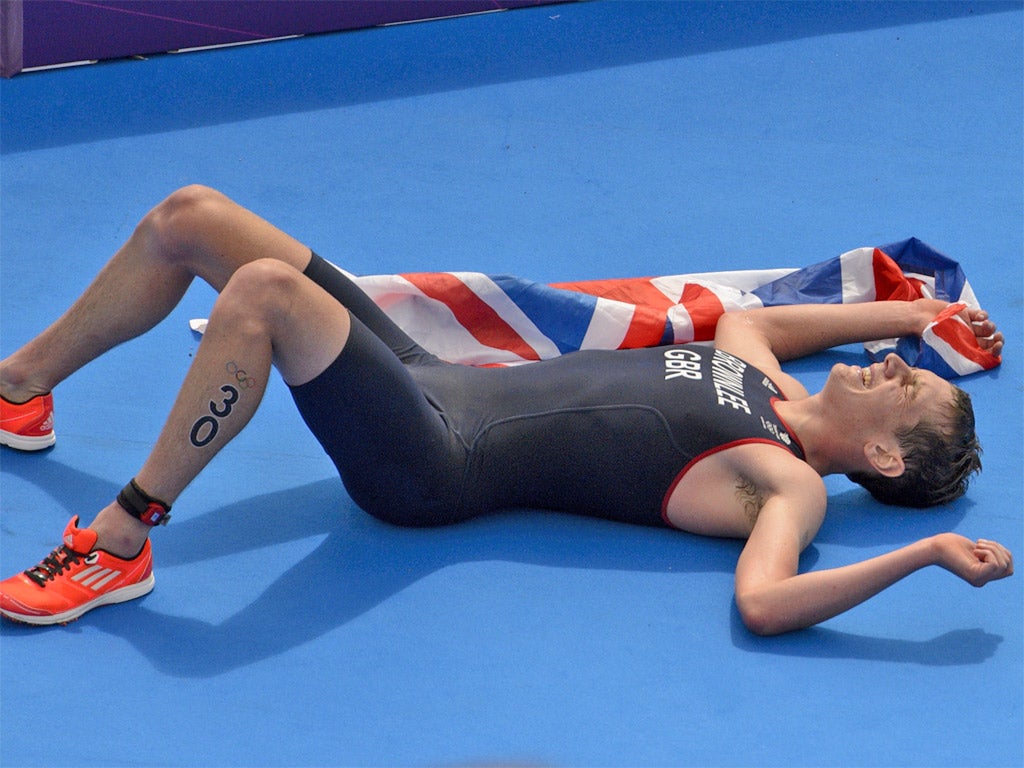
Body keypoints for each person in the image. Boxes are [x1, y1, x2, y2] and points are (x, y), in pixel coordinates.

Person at [0, 185, 1012, 634]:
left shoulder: (785, 485)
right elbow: (762, 321)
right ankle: (19, 389)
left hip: (433, 462)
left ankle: (122, 540)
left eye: (905, 383)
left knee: (262, 292)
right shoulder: (763, 385)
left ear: (881, 456)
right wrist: (924, 311)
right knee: (192, 215)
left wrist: (919, 557)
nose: (886, 363)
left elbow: (763, 602)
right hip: (425, 377)